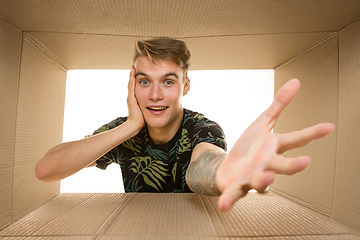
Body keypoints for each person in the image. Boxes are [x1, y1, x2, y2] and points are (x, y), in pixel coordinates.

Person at [35, 36, 335, 212]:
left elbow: (202, 166)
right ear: (131, 85)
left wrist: (224, 172)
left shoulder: (203, 128)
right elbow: (46, 170)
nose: (155, 95)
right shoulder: (122, 130)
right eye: (144, 82)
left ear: (185, 86)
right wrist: (129, 127)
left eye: (168, 81)